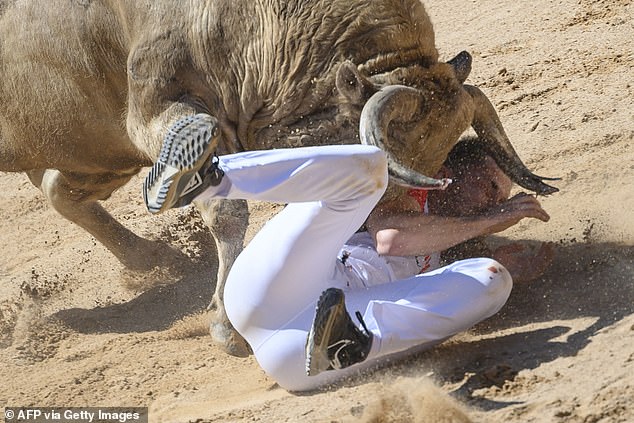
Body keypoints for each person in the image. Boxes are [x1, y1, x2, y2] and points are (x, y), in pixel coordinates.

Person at [143, 114, 550, 392]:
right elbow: (393, 240)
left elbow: (461, 290)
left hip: (319, 353)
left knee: (493, 277)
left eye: (501, 198)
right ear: (449, 175)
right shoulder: (409, 200)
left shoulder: (462, 246)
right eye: (491, 188)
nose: (494, 203)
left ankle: (348, 343)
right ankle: (207, 178)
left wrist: (521, 266)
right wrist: (489, 221)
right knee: (370, 167)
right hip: (278, 285)